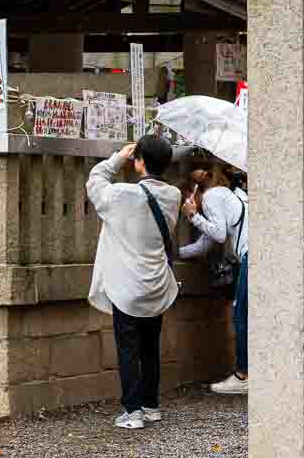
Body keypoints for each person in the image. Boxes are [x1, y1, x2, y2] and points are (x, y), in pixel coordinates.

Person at [86, 135, 181, 431]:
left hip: (127, 285)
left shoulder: (123, 195)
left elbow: (95, 181)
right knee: (150, 347)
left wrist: (118, 157)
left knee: (128, 348)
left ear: (139, 161)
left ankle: (132, 411)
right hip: (156, 283)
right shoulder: (174, 195)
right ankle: (151, 405)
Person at [180, 163, 249, 396]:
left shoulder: (210, 196)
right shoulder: (227, 194)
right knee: (248, 314)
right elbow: (205, 243)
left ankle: (243, 375)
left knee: (241, 315)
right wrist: (173, 253)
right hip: (254, 253)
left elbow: (217, 234)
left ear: (193, 191)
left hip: (251, 254)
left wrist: (193, 216)